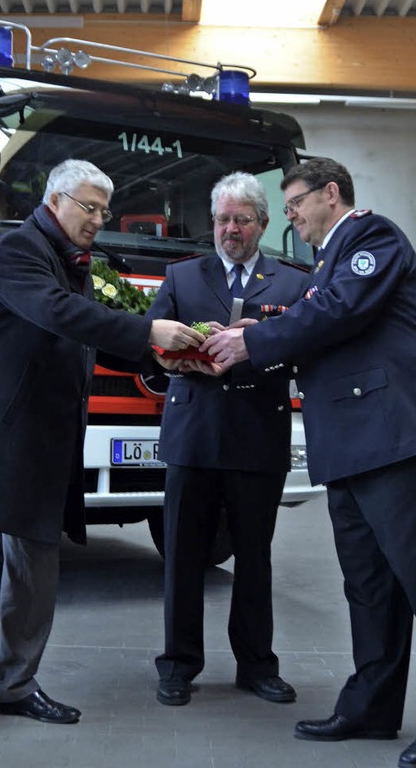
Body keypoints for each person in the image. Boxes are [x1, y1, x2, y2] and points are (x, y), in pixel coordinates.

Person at [0, 159, 204, 740]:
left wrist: (160, 357)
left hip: (44, 443)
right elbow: (58, 313)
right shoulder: (18, 251)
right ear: (56, 199)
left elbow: (82, 336)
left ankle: (16, 686)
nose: (98, 220)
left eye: (103, 210)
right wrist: (145, 333)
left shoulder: (70, 261)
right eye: (89, 207)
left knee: (36, 575)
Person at [203, 157, 416, 768]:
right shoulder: (329, 264)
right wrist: (256, 331)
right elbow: (316, 314)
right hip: (351, 446)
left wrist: (249, 341)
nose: (293, 217)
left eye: (297, 204)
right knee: (369, 586)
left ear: (331, 194)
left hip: (392, 441)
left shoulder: (372, 237)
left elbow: (337, 312)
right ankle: (372, 706)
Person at [147, 171, 309, 708]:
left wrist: (255, 349)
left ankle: (257, 666)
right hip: (192, 435)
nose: (230, 230)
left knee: (255, 559)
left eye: (241, 219)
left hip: (257, 437)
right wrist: (188, 355)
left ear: (263, 223)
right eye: (222, 219)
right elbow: (149, 348)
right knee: (183, 557)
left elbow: (303, 353)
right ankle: (178, 665)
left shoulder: (292, 283)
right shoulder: (181, 277)